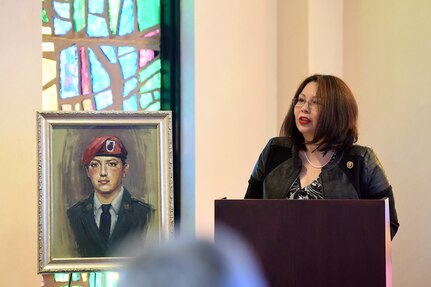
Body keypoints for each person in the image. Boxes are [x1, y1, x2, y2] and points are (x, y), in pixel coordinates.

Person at [245, 74, 399, 238]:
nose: (304, 108)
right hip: (278, 260)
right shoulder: (275, 150)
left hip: (340, 261)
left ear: (337, 111)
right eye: (301, 100)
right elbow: (246, 213)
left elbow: (388, 224)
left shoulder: (362, 161)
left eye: (315, 102)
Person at [67, 135, 152, 257]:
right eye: (95, 165)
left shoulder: (144, 213)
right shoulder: (74, 215)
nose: (103, 173)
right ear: (87, 172)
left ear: (124, 170)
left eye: (111, 164)